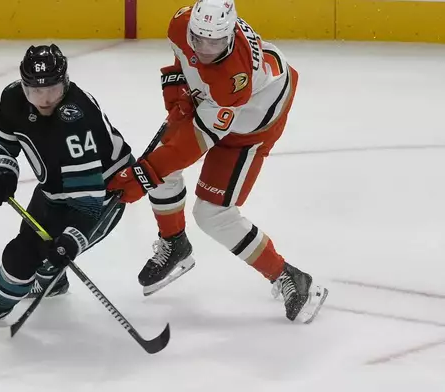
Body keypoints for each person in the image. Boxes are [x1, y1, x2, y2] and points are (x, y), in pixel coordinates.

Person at [107, 0, 328, 322]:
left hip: (254, 123)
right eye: (200, 40)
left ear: (230, 35)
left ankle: (289, 276)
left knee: (212, 213)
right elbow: (184, 59)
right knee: (161, 165)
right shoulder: (181, 25)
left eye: (216, 43)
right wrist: (179, 91)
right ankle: (175, 243)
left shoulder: (233, 80)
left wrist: (144, 176)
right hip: (216, 106)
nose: (206, 49)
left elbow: (197, 141)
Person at [0, 44, 133, 325]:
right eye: (36, 90)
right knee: (25, 252)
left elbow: (87, 202)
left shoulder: (76, 115)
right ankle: (30, 291)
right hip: (53, 189)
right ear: (23, 86)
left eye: (53, 89)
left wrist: (71, 239)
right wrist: (1, 170)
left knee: (39, 254)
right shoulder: (13, 99)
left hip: (105, 195)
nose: (45, 99)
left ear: (66, 82)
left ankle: (24, 291)